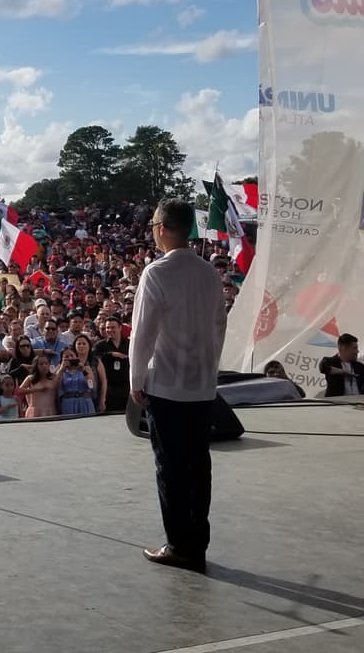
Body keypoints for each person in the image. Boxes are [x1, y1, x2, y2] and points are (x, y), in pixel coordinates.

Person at [130, 197, 227, 572]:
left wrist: (137, 379)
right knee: (198, 465)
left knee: (170, 467)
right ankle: (197, 542)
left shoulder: (156, 272)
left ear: (163, 228)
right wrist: (210, 369)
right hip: (201, 386)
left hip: (167, 385)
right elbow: (220, 326)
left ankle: (178, 544)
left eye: (154, 223)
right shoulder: (209, 273)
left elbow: (142, 333)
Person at [318, 333, 364, 398]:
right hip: (337, 404)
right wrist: (343, 372)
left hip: (358, 403)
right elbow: (323, 368)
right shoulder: (330, 361)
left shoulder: (360, 366)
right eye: (354, 348)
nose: (357, 351)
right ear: (343, 348)